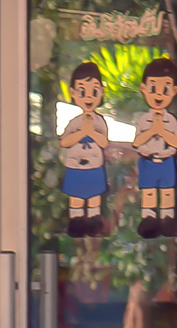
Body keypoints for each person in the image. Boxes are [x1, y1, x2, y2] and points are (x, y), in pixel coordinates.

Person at [133, 57, 177, 238]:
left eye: (166, 89)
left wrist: (162, 130)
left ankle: (167, 217)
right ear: (144, 89)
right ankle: (149, 217)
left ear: (174, 91)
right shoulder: (143, 120)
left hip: (166, 161)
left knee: (168, 191)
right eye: (153, 89)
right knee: (148, 192)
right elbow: (137, 143)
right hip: (147, 162)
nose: (159, 95)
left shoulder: (171, 121)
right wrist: (152, 130)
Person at [60, 61, 109, 238]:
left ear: (101, 92)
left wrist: (91, 132)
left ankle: (94, 220)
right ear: (73, 93)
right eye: (82, 92)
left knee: (94, 195)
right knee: (76, 196)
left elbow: (103, 142)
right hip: (75, 167)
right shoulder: (74, 122)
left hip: (94, 166)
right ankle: (77, 220)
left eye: (94, 91)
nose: (88, 97)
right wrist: (82, 132)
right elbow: (65, 142)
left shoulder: (100, 121)